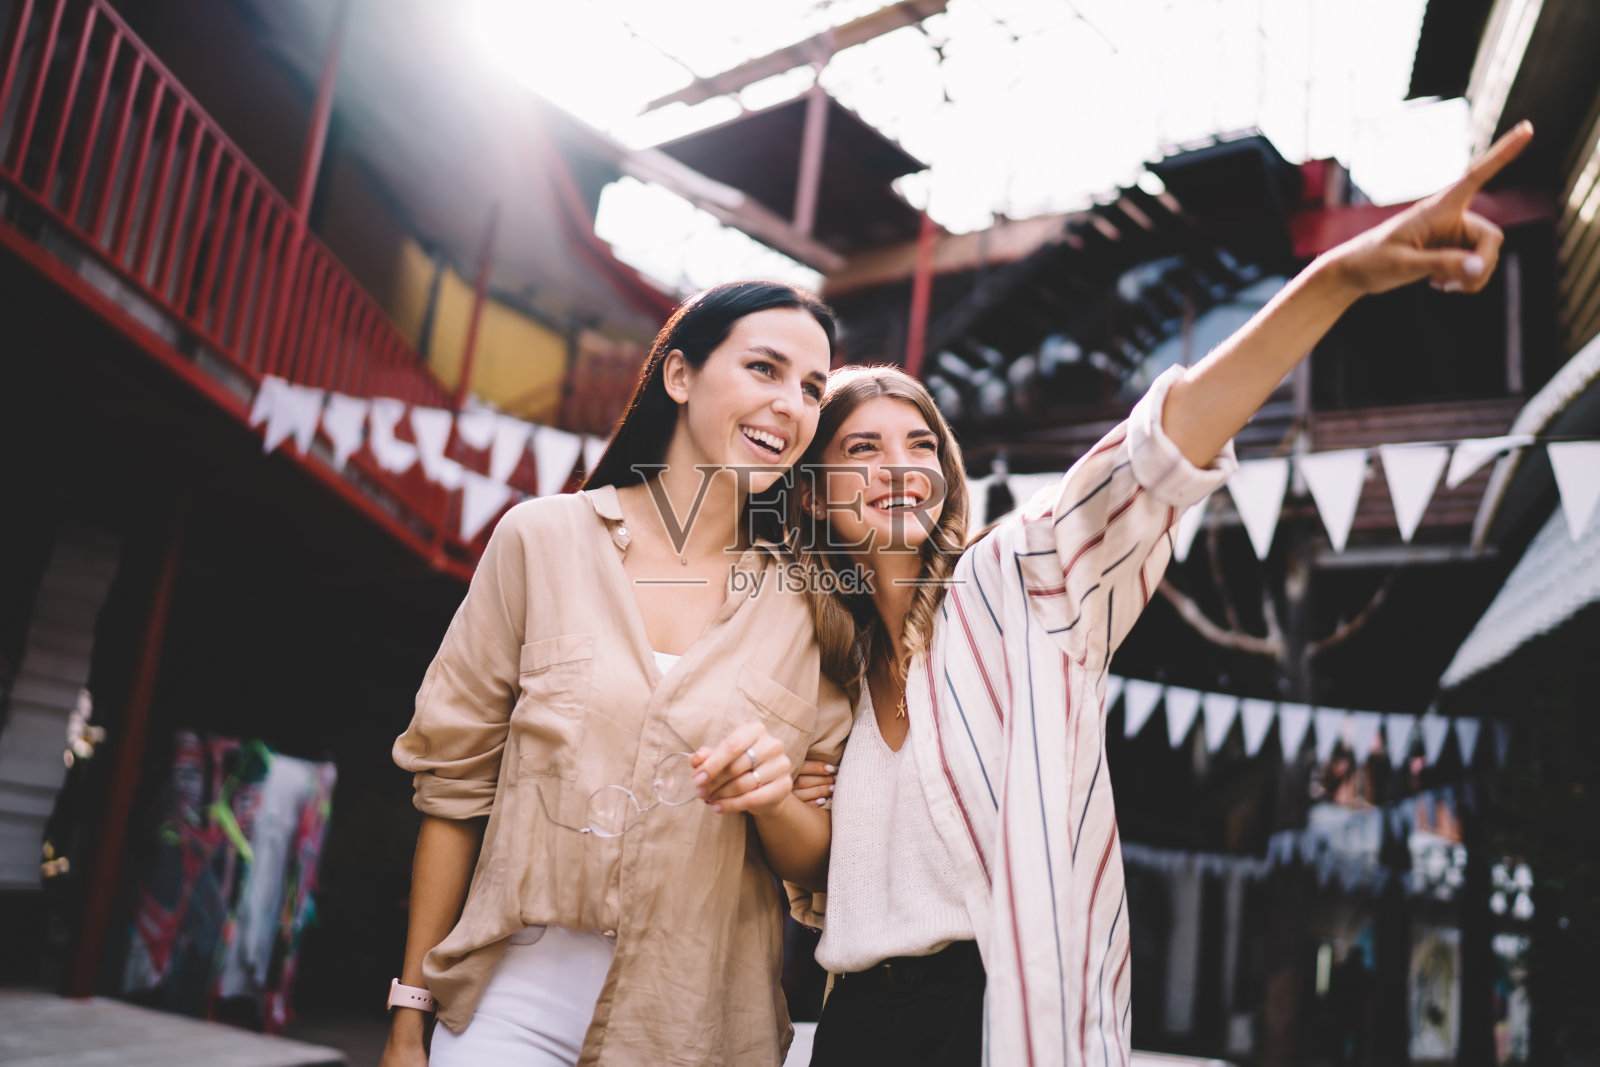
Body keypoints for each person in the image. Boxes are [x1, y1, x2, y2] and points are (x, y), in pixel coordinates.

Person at [791, 123, 1534, 1066]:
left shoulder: (1016, 584)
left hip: (985, 1022)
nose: (899, 466)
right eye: (863, 448)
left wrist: (1336, 278)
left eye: (920, 445)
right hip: (851, 1027)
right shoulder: (830, 675)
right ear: (814, 493)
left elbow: (1155, 455)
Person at [379, 281, 851, 1067]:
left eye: (810, 389)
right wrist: (407, 1017)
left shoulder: (812, 611)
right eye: (764, 369)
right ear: (679, 376)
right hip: (508, 1005)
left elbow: (818, 861)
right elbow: (454, 791)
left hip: (696, 1027)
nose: (791, 406)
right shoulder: (542, 540)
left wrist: (771, 799)